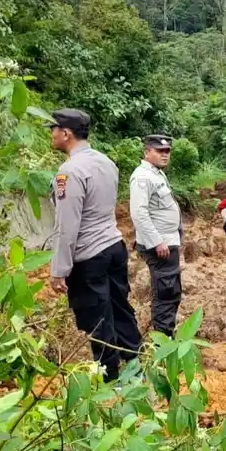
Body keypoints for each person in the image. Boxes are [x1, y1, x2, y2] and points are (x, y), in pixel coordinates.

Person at [47, 109, 141, 381]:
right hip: (113, 246)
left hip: (89, 258)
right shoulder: (106, 162)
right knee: (121, 310)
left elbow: (67, 225)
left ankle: (110, 381)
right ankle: (136, 371)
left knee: (97, 321)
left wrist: (59, 269)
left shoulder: (69, 171)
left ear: (66, 134)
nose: (51, 134)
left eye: (53, 129)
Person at [129, 135, 183, 337]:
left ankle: (166, 336)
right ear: (147, 152)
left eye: (167, 151)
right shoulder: (142, 177)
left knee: (171, 291)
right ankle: (163, 342)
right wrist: (156, 241)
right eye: (160, 151)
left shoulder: (156, 174)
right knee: (166, 292)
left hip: (167, 242)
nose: (165, 155)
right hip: (160, 246)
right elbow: (139, 213)